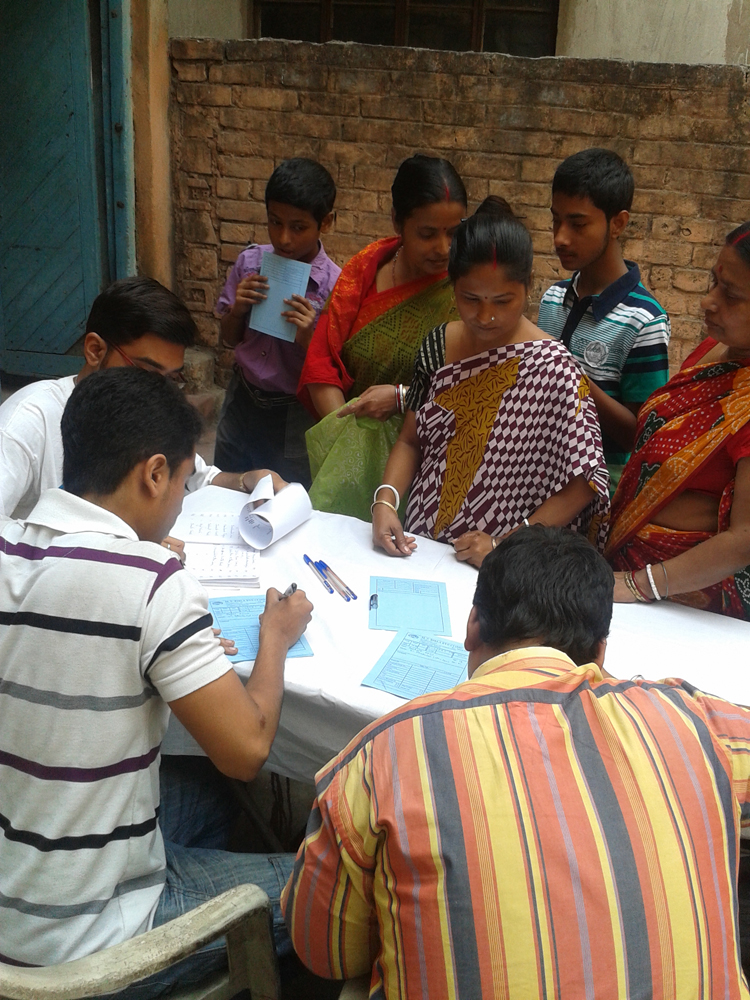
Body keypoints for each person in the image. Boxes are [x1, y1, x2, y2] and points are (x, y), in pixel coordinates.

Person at [283, 526, 750, 999]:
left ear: (472, 626)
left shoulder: (380, 757)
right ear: (601, 652)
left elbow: (325, 953)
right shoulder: (698, 722)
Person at [0, 368, 312, 996]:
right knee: (332, 882)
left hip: (13, 893)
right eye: (183, 484)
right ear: (154, 474)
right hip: (86, 948)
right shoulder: (152, 582)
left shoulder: (9, 545)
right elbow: (248, 749)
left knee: (208, 791)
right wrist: (276, 638)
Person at [371, 197, 609, 569]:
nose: (485, 316)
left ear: (528, 286)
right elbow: (410, 439)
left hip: (506, 565)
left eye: (502, 301)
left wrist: (505, 545)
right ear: (453, 286)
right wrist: (385, 503)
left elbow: (584, 483)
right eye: (470, 299)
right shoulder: (437, 346)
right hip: (420, 544)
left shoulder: (555, 367)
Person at [0, 277, 283, 524]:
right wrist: (121, 546)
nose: (157, 391)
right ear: (95, 350)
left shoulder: (149, 411)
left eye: (170, 377)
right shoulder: (29, 421)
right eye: (147, 372)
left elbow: (198, 478)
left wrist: (248, 480)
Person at [298, 154, 467, 521]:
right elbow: (322, 360)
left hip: (427, 469)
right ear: (397, 221)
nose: (443, 248)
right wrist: (349, 440)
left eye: (454, 233)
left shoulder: (468, 290)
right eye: (427, 234)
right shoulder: (366, 267)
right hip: (345, 453)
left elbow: (474, 388)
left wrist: (402, 397)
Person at [607, 222, 750, 619]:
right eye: (714, 282)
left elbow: (744, 539)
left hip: (688, 602)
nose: (708, 301)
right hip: (629, 568)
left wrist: (642, 584)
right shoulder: (713, 350)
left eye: (731, 294)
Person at [537, 147, 671, 488]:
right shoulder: (553, 298)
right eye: (555, 220)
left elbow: (641, 436)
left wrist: (571, 375)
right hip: (537, 484)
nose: (560, 237)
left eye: (578, 224)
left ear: (618, 223)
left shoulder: (644, 321)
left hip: (599, 496)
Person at [214, 158, 340, 488]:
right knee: (225, 485)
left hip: (292, 413)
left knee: (286, 495)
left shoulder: (334, 288)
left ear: (325, 222)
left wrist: (309, 338)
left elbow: (334, 373)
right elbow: (229, 338)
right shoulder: (250, 263)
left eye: (298, 227)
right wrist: (238, 310)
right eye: (275, 222)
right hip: (241, 398)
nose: (284, 238)